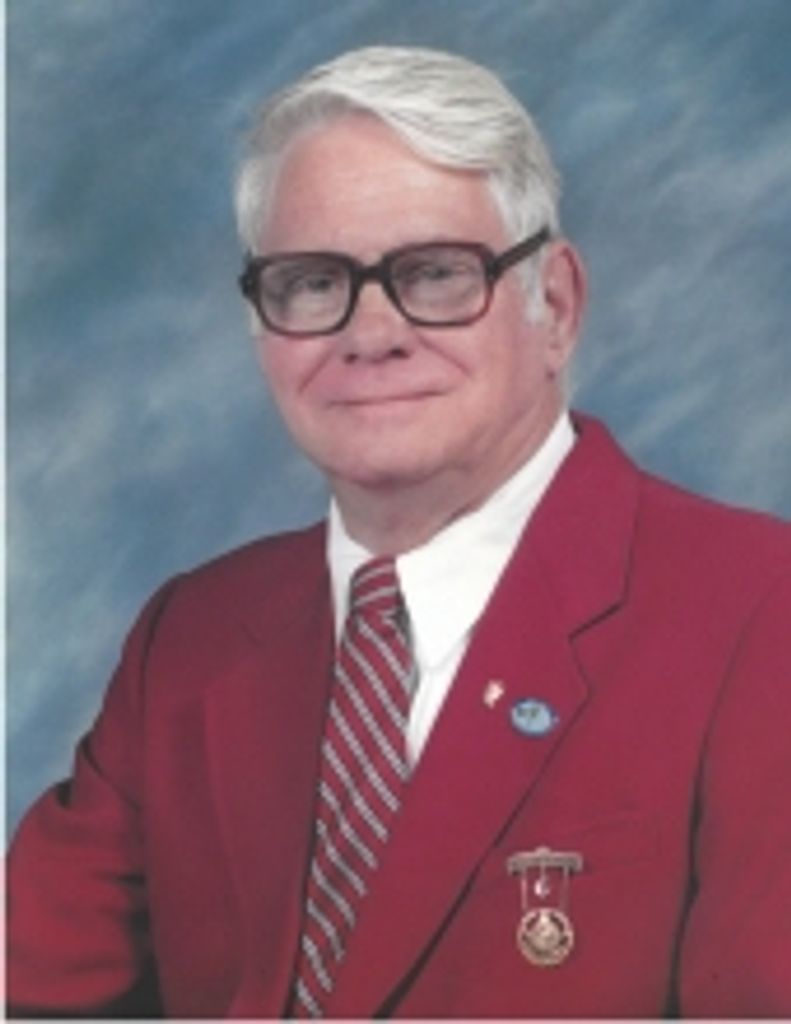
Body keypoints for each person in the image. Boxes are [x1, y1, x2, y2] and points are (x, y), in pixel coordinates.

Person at [7, 45, 791, 1019]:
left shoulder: (756, 609)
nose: (370, 333)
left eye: (434, 274)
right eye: (310, 282)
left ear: (554, 305)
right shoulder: (190, 637)